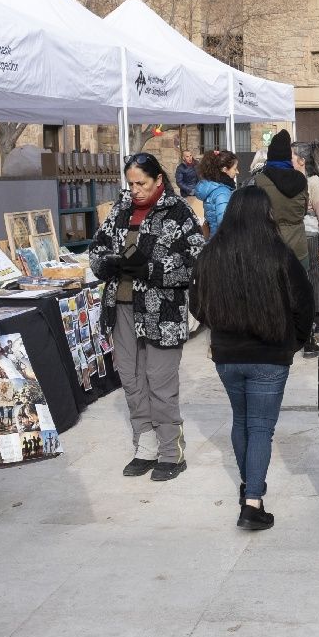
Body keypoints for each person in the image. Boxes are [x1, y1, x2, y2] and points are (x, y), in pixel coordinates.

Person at [191, 186, 315, 530]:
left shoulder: (211, 254)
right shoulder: (279, 254)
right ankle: (252, 501)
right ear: (266, 214)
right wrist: (296, 341)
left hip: (228, 354)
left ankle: (250, 486)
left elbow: (196, 305)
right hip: (270, 354)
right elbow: (304, 302)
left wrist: (218, 325)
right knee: (260, 427)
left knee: (241, 420)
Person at [90, 152, 205, 481]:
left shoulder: (178, 211)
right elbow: (97, 247)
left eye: (141, 183)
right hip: (121, 306)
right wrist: (109, 263)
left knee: (160, 382)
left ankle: (171, 449)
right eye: (131, 183)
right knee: (131, 378)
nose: (135, 190)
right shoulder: (122, 209)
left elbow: (197, 255)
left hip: (163, 310)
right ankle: (146, 445)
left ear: (158, 180)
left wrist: (153, 269)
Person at [292, 141, 319, 359]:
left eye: (291, 155)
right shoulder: (291, 181)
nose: (289, 159)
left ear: (301, 160)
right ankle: (302, 332)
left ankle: (315, 336)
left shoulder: (314, 182)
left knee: (317, 287)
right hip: (295, 240)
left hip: (312, 240)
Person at [254, 129, 310, 262]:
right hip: (298, 248)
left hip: (270, 247)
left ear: (270, 156)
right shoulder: (301, 179)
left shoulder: (259, 180)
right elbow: (304, 211)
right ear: (288, 157)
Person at [193, 148, 237, 234]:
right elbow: (224, 224)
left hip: (213, 238)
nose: (237, 172)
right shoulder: (222, 192)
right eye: (235, 168)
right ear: (225, 170)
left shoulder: (214, 188)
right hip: (221, 243)